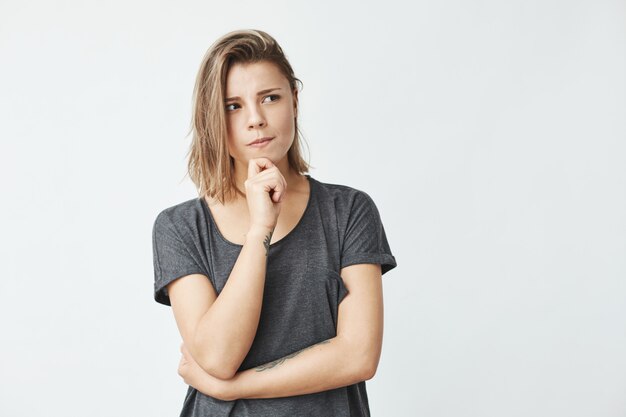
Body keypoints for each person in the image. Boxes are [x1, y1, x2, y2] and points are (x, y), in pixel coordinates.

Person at [151, 29, 398, 417]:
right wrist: (259, 231)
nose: (255, 120)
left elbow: (358, 356)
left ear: (295, 101)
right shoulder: (181, 227)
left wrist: (231, 388)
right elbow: (218, 355)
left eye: (270, 98)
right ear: (212, 117)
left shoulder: (348, 210)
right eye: (233, 106)